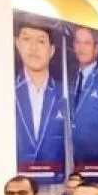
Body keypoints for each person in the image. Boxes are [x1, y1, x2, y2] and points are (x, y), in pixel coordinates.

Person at [13, 16, 66, 174]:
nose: (33, 47)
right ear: (17, 44)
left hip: (57, 181)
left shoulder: (65, 93)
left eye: (41, 41)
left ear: (52, 50)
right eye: (27, 39)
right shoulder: (7, 91)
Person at [69, 27, 98, 169]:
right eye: (78, 42)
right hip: (68, 165)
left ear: (96, 48)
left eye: (87, 43)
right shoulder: (69, 81)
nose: (81, 48)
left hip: (93, 166)